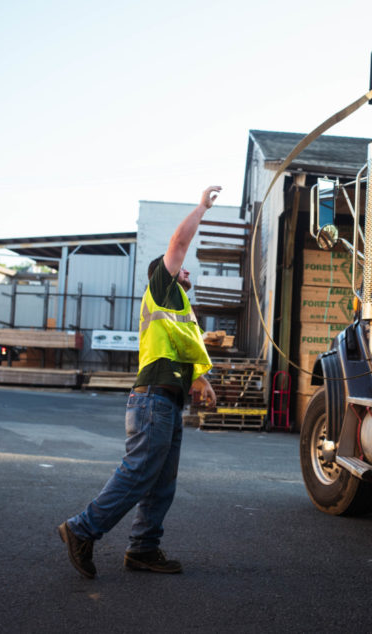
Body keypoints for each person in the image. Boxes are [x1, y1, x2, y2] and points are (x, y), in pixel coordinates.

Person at [58, 185, 220, 579]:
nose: (185, 271)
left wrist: (202, 381)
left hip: (166, 402)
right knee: (139, 472)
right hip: (152, 403)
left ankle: (144, 549)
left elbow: (183, 352)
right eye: (178, 267)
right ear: (163, 273)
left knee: (161, 482)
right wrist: (201, 207)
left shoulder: (178, 307)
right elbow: (179, 241)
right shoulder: (162, 289)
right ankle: (81, 529)